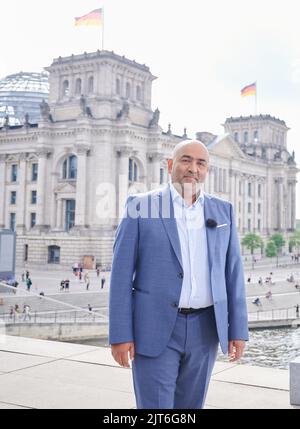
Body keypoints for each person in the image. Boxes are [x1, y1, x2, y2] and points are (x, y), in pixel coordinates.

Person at [109, 140, 248, 409]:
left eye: (201, 163)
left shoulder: (224, 211)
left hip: (205, 329)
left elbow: (233, 273)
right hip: (154, 327)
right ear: (170, 165)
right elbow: (121, 276)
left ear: (207, 170)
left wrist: (238, 330)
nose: (193, 168)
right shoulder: (140, 206)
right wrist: (119, 334)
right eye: (186, 160)